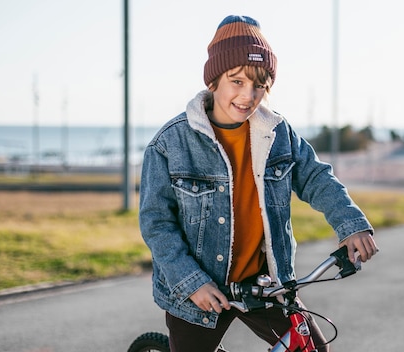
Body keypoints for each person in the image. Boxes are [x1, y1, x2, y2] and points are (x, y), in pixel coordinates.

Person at [139, 15, 378, 352]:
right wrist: (192, 284)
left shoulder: (278, 134)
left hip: (265, 286)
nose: (248, 95)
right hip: (200, 292)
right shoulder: (170, 144)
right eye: (236, 81)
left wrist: (350, 224)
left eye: (259, 84)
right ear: (213, 81)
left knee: (312, 349)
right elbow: (157, 225)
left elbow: (315, 177)